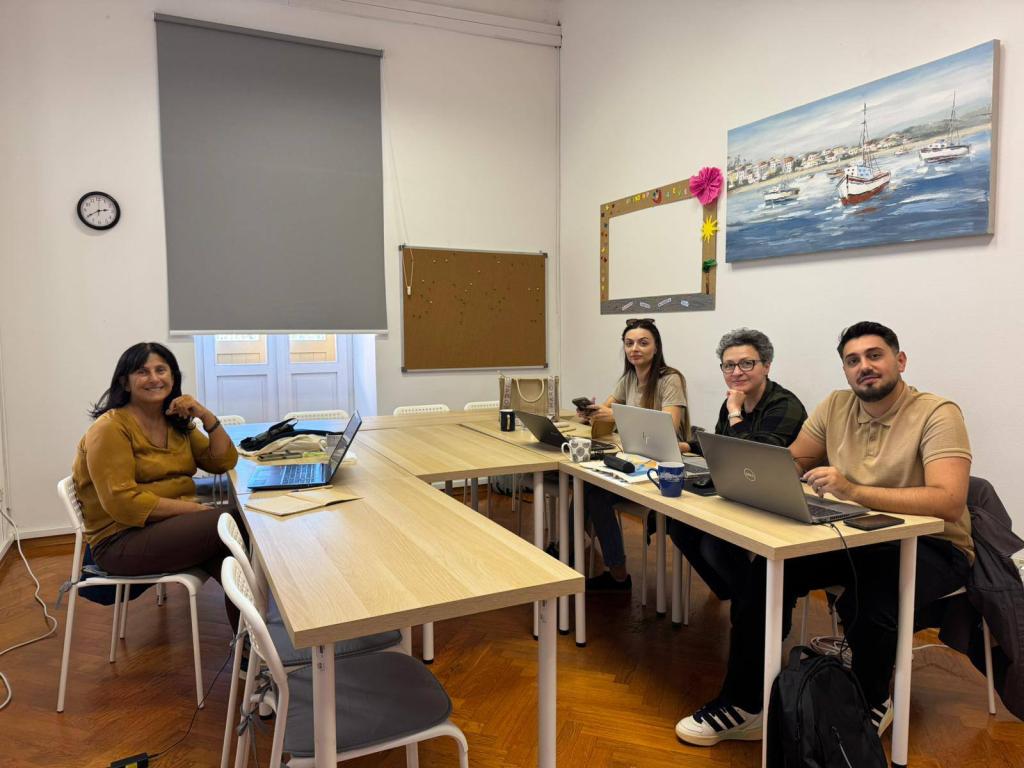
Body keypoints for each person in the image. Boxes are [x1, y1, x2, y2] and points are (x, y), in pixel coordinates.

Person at [675, 321, 973, 746]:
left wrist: (852, 490)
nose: (864, 366)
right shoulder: (836, 405)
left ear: (900, 361)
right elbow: (794, 459)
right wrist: (775, 476)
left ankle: (871, 701)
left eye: (875, 355)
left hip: (934, 546)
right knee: (765, 575)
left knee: (873, 595)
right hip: (858, 535)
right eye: (853, 360)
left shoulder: (938, 413)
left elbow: (949, 502)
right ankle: (745, 704)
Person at [72, 342, 242, 625]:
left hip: (167, 529)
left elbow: (222, 461)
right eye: (142, 371)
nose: (154, 378)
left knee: (231, 556)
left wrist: (206, 416)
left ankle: (250, 640)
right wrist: (196, 511)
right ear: (125, 382)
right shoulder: (110, 428)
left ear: (173, 378)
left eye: (161, 370)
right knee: (234, 523)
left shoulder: (175, 422)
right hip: (120, 541)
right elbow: (123, 503)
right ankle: (258, 635)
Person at [669, 328, 807, 601]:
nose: (736, 372)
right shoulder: (734, 401)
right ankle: (734, 595)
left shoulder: (784, 405)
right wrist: (688, 446)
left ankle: (756, 607)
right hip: (741, 491)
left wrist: (734, 412)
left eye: (746, 364)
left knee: (715, 545)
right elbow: (723, 444)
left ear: (766, 366)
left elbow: (758, 457)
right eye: (729, 365)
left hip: (778, 499)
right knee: (680, 529)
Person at [580, 318, 689, 590]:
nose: (634, 349)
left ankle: (615, 571)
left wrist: (614, 415)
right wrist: (591, 413)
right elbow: (607, 409)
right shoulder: (628, 378)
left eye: (643, 342)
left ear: (656, 347)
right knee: (585, 484)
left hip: (663, 466)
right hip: (634, 459)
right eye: (629, 343)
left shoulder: (670, 379)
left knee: (594, 493)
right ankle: (573, 549)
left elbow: (668, 427)